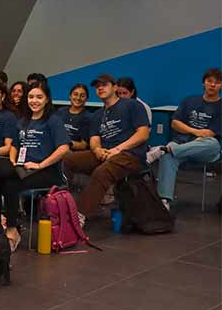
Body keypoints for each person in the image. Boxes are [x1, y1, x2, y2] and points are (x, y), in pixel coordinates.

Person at [0, 82, 69, 250]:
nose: (34, 100)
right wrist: (13, 161)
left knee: (10, 183)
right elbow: (14, 145)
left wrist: (40, 164)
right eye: (31, 97)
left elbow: (64, 148)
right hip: (23, 168)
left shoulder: (53, 120)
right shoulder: (23, 121)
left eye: (39, 97)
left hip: (47, 171)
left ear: (47, 99)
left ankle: (13, 230)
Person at [63, 74, 150, 224]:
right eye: (97, 86)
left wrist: (117, 149)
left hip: (130, 155)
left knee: (102, 171)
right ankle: (61, 202)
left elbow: (143, 134)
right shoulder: (97, 115)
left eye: (104, 85)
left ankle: (78, 216)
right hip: (105, 154)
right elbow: (94, 139)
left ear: (115, 87)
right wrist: (97, 150)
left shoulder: (131, 105)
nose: (100, 88)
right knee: (67, 159)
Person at [155, 68, 221, 207]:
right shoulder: (190, 100)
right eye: (209, 81)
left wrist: (193, 136)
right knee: (168, 157)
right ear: (204, 83)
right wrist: (195, 132)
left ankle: (168, 149)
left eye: (217, 82)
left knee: (212, 143)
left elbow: (210, 133)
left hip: (205, 150)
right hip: (183, 145)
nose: (213, 85)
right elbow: (174, 123)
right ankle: (164, 202)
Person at [58, 84, 91, 151]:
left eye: (82, 96)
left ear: (86, 98)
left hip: (71, 152)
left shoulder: (88, 117)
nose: (78, 98)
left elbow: (83, 145)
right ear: (70, 96)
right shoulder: (60, 111)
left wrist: (65, 143)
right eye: (75, 94)